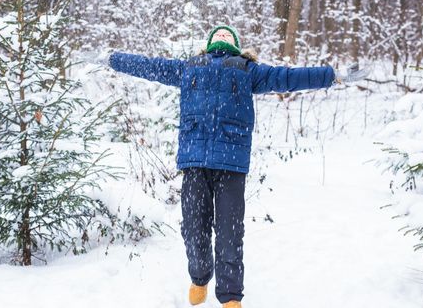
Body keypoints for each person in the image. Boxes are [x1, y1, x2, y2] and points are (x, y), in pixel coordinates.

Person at [102, 25, 367, 308]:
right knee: (194, 229)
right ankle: (200, 277)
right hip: (195, 162)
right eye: (218, 33)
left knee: (230, 232)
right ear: (208, 43)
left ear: (238, 46)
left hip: (231, 163)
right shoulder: (189, 67)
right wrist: (112, 59)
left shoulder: (247, 70)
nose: (223, 35)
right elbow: (148, 66)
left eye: (229, 35)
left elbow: (288, 77)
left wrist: (332, 76)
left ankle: (229, 296)